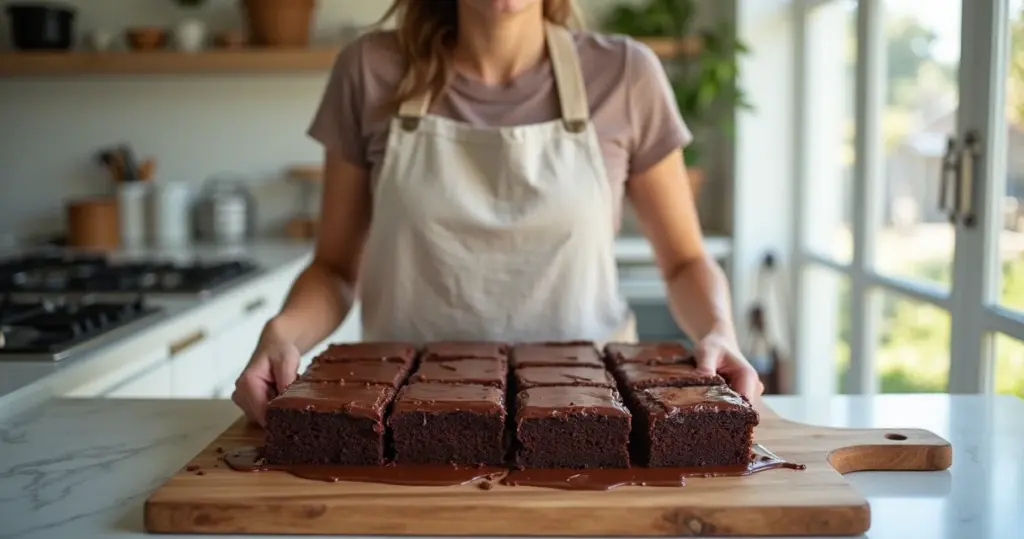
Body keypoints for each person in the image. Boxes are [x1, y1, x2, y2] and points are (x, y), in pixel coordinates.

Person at [232, 0, 762, 426]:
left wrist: (719, 331)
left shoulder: (625, 74)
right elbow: (334, 270)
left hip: (590, 421)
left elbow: (685, 262)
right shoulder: (369, 70)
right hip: (406, 429)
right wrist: (283, 332)